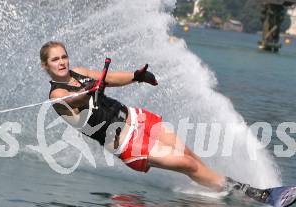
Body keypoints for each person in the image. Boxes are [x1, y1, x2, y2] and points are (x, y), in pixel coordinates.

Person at [39, 41, 263, 196]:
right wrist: (90, 91)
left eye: (64, 56)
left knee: (188, 155)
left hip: (136, 117)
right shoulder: (57, 95)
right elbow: (74, 101)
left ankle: (221, 186)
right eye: (55, 60)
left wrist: (136, 76)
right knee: (186, 164)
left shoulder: (79, 71)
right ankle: (245, 192)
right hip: (125, 142)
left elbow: (111, 79)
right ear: (46, 66)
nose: (62, 62)